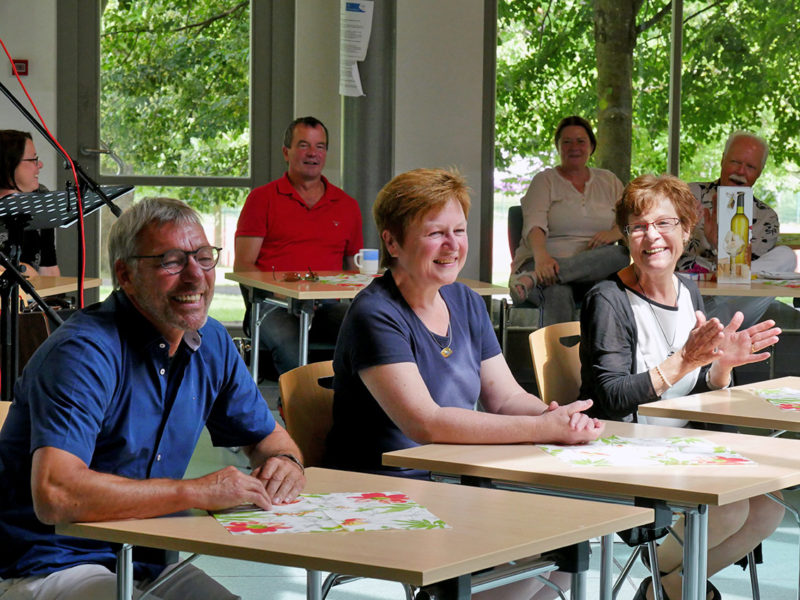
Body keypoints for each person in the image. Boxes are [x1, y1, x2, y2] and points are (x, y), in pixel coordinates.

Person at [0, 197, 306, 599]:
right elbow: (56, 495)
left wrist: (285, 464)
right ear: (125, 275)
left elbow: (271, 441)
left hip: (144, 560)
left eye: (203, 257)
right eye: (171, 261)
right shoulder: (82, 353)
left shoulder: (211, 341)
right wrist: (199, 491)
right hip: (47, 562)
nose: (195, 276)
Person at [326, 168, 604, 600]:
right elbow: (426, 424)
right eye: (435, 233)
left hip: (455, 478)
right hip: (386, 491)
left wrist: (555, 416)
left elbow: (506, 396)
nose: (453, 245)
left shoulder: (465, 300)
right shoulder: (375, 314)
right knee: (551, 540)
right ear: (393, 243)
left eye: (459, 230)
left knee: (574, 537)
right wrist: (541, 430)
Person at [580, 174, 784, 600]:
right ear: (627, 237)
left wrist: (720, 369)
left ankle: (661, 591)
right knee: (729, 511)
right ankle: (673, 590)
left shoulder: (688, 290)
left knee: (767, 509)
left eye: (664, 224)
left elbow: (694, 390)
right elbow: (610, 397)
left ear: (686, 231)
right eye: (638, 227)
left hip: (683, 443)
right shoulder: (608, 299)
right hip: (628, 446)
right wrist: (685, 361)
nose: (651, 236)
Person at [234, 116, 363, 375]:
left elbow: (354, 268)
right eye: (304, 145)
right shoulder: (262, 199)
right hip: (274, 305)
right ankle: (297, 411)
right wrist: (284, 295)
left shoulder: (347, 205)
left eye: (320, 146)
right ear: (286, 152)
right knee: (292, 348)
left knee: (368, 334)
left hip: (327, 306)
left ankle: (349, 408)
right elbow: (243, 265)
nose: (313, 154)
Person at [509, 116, 629, 325]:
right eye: (566, 142)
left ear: (591, 146)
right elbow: (534, 224)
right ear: (558, 147)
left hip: (593, 269)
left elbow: (629, 219)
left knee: (620, 254)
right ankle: (557, 358)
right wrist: (542, 259)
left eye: (580, 141)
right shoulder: (544, 180)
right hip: (541, 261)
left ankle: (533, 278)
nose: (574, 147)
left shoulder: (609, 181)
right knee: (557, 291)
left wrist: (614, 233)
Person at [677, 131, 796, 328]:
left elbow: (747, 284)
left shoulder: (765, 217)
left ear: (759, 172)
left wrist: (720, 248)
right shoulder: (690, 195)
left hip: (733, 308)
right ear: (723, 160)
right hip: (686, 300)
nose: (741, 171)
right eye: (735, 162)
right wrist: (685, 230)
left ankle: (712, 325)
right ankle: (710, 327)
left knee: (786, 256)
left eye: (750, 166)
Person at [0, 130, 60, 276]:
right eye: (33, 159)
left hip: (32, 295)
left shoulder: (41, 198)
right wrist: (22, 270)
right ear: (9, 163)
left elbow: (49, 267)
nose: (40, 165)